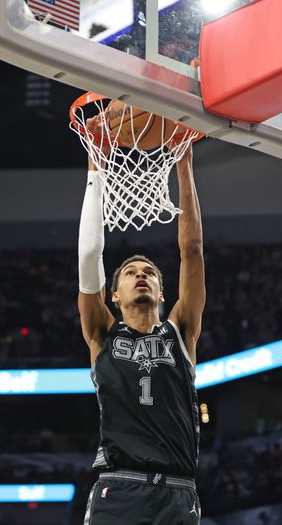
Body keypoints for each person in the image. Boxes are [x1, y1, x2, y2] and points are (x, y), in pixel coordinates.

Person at [78, 141, 205, 524]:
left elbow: (193, 249)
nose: (141, 276)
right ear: (113, 295)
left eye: (149, 272)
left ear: (162, 292)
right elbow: (88, 256)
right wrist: (95, 170)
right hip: (119, 486)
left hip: (178, 491)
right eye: (131, 273)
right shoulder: (102, 333)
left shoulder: (181, 331)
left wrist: (184, 164)